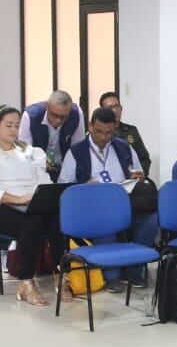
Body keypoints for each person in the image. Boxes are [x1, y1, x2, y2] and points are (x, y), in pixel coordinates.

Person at [0, 106, 67, 307]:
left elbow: (44, 180)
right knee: (30, 223)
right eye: (8, 125)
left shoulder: (29, 151)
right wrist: (17, 199)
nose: (13, 130)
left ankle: (61, 275)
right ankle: (26, 282)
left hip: (30, 202)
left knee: (58, 219)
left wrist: (45, 196)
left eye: (17, 126)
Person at [59, 106, 154, 291]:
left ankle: (135, 271)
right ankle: (112, 274)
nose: (103, 137)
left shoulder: (124, 147)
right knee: (107, 221)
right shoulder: (76, 153)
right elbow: (64, 189)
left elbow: (138, 173)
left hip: (126, 202)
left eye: (108, 132)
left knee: (150, 220)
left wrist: (137, 177)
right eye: (98, 132)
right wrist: (84, 187)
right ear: (90, 126)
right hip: (93, 207)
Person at [19, 90, 86, 179]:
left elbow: (78, 149)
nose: (58, 120)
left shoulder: (76, 114)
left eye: (63, 117)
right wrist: (41, 162)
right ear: (46, 106)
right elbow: (25, 152)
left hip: (65, 169)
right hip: (36, 170)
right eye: (54, 115)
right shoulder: (30, 116)